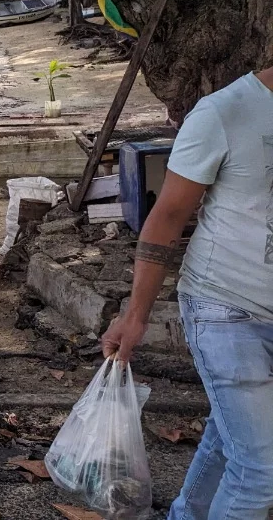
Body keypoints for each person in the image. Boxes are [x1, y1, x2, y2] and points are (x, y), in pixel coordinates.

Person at [102, 64, 273, 519]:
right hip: (225, 306)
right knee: (261, 470)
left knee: (229, 437)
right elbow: (168, 216)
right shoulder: (224, 112)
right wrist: (136, 315)